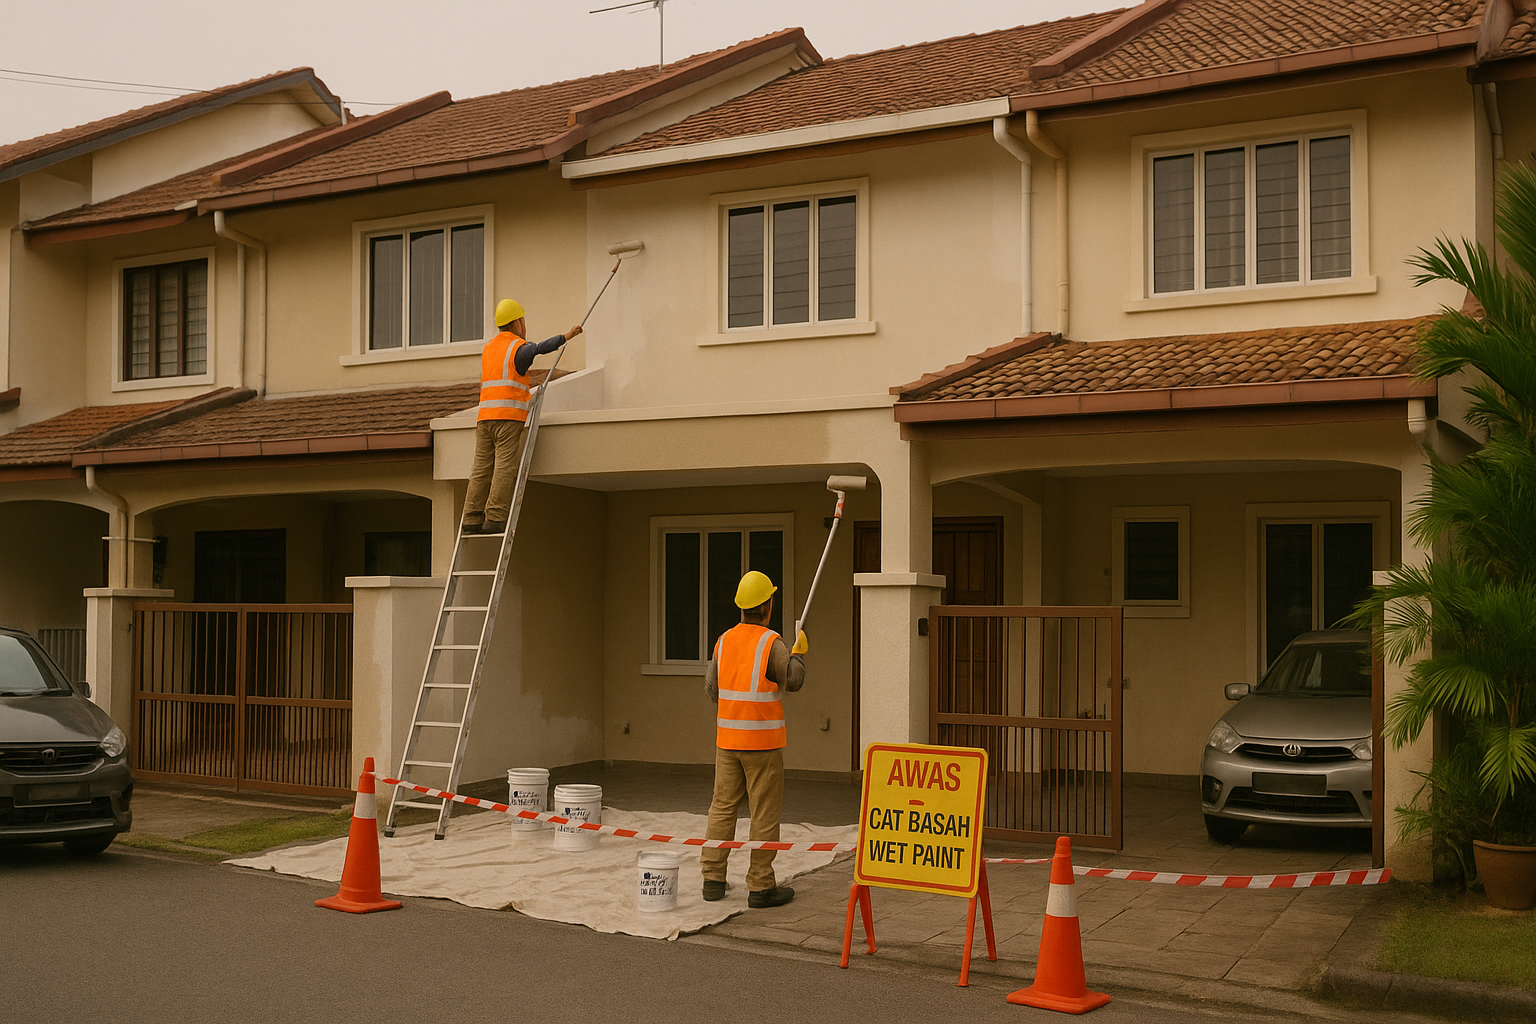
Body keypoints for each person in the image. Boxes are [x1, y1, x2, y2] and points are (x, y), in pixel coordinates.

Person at [701, 570, 809, 908]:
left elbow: (711, 688)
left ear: (741, 607)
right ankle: (761, 886)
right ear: (768, 606)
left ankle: (713, 880)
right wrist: (799, 654)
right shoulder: (771, 642)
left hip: (727, 743)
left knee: (722, 807)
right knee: (763, 813)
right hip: (762, 745)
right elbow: (792, 680)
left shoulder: (724, 640)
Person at [462, 299, 582, 535]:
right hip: (508, 419)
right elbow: (539, 348)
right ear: (517, 322)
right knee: (504, 467)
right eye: (523, 321)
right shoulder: (517, 347)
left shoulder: (489, 348)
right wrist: (566, 336)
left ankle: (471, 516)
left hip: (485, 418)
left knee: (481, 468)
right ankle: (495, 517)